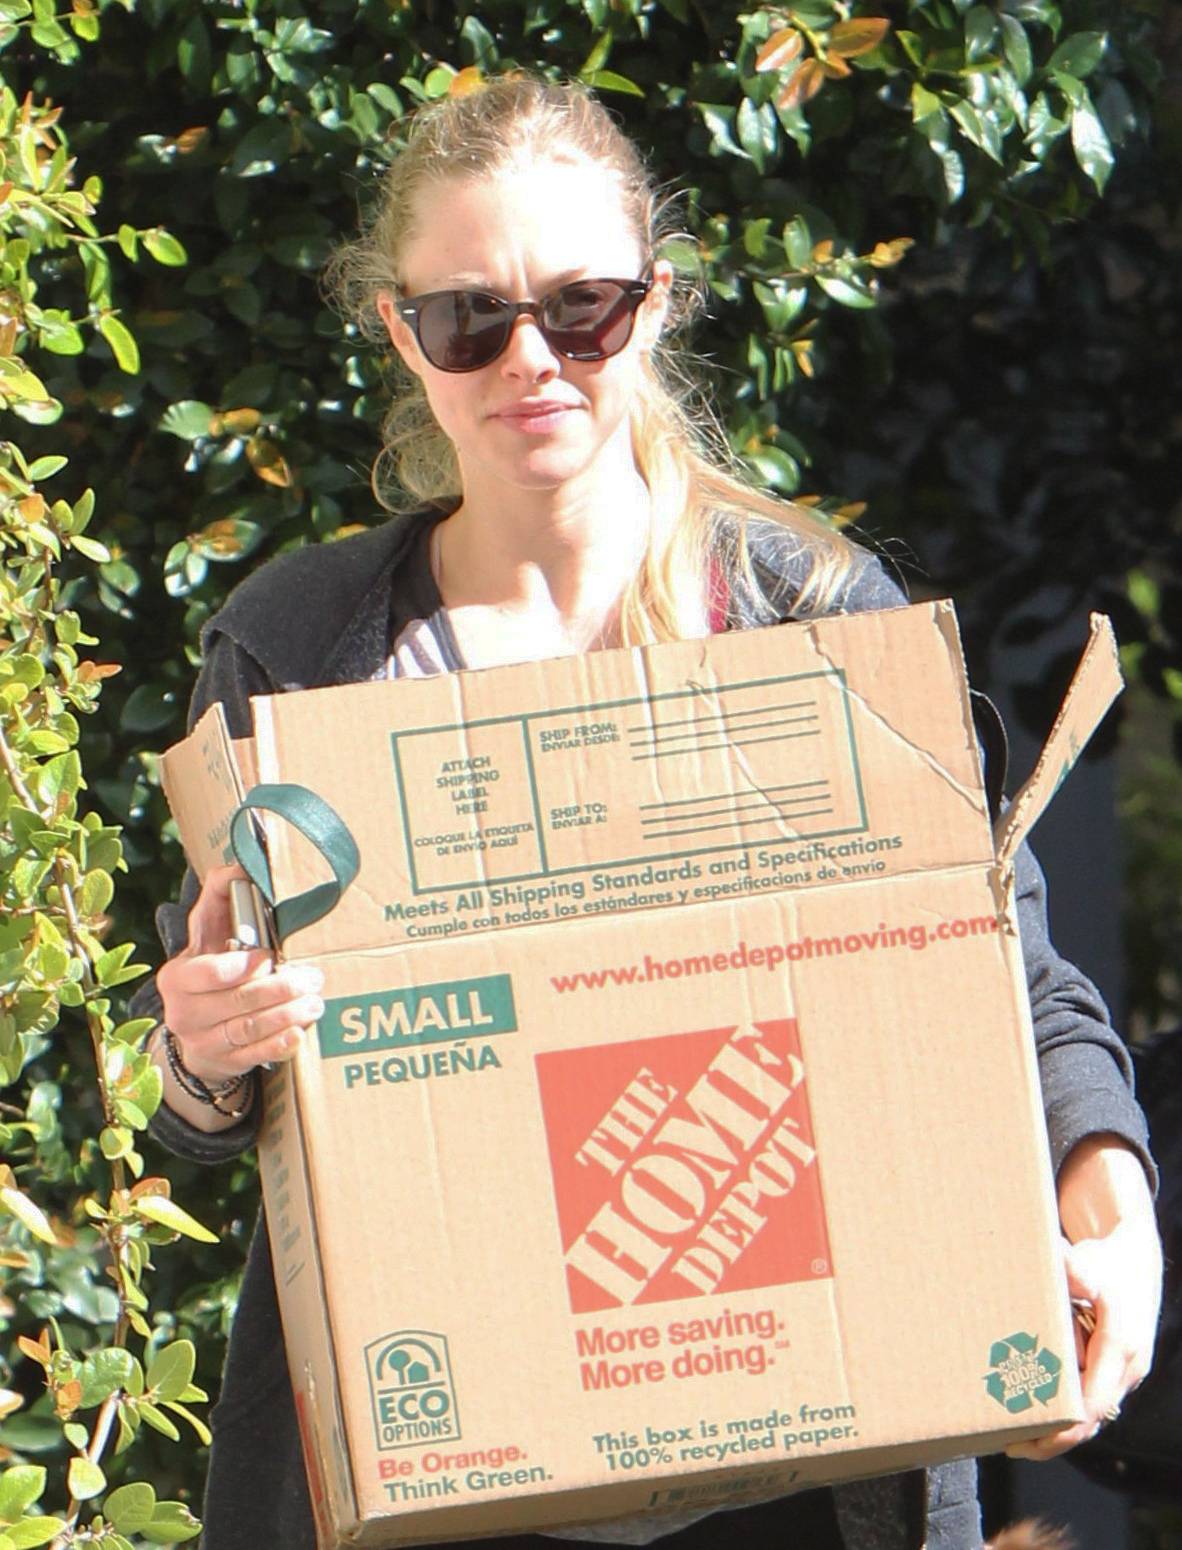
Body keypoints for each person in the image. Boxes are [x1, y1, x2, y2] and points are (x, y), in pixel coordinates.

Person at [135, 75, 1162, 1550]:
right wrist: (205, 1042)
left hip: (807, 1478)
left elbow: (1011, 975)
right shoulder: (299, 653)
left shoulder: (810, 619)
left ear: (655, 303)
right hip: (445, 1469)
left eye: (582, 309)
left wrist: (1110, 1205)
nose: (528, 360)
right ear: (400, 334)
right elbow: (204, 1090)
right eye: (468, 319)